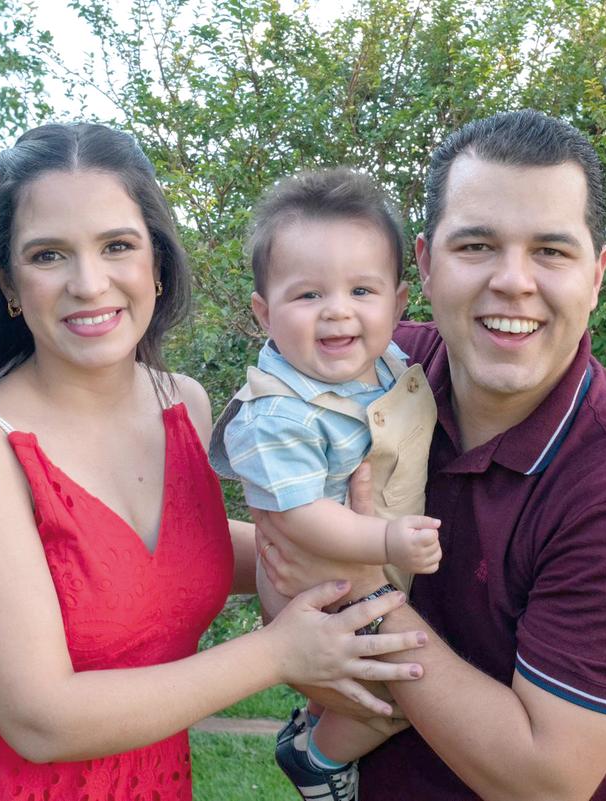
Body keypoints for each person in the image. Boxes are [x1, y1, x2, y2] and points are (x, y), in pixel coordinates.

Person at [0, 122, 430, 801]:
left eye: (117, 246)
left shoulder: (180, 403)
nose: (89, 283)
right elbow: (40, 719)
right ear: (8, 281)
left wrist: (348, 541)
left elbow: (176, 556)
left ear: (156, 262)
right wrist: (276, 651)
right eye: (48, 255)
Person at [258, 110, 606, 800]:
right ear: (425, 262)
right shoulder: (380, 372)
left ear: (596, 276)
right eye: (476, 245)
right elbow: (288, 594)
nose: (513, 280)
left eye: (551, 252)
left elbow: (544, 779)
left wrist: (364, 589)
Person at [207, 169, 441, 800]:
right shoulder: (277, 413)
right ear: (264, 314)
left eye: (361, 290)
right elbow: (301, 517)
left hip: (363, 568)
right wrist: (388, 538)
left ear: (397, 305)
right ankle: (319, 757)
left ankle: (318, 722)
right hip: (318, 587)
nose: (338, 310)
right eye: (308, 295)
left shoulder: (388, 364)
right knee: (402, 695)